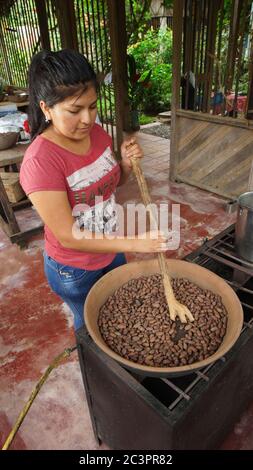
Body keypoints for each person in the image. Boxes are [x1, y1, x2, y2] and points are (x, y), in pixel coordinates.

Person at [20, 49, 168, 331]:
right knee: (90, 326)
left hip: (112, 249)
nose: (88, 119)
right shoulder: (41, 161)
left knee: (119, 311)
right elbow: (69, 236)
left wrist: (125, 164)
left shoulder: (96, 134)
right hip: (73, 268)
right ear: (46, 108)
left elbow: (111, 185)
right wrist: (135, 243)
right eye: (75, 110)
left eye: (93, 106)